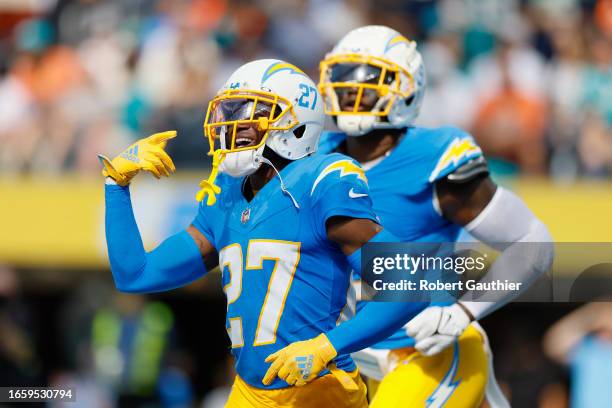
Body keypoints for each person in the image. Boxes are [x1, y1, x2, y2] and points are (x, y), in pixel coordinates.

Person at [99, 59, 427, 408]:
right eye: (229, 112)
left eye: (249, 113)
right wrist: (115, 185)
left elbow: (409, 285)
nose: (232, 125)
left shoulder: (321, 179)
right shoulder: (226, 193)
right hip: (248, 393)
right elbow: (136, 274)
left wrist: (327, 345)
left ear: (294, 124)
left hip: (320, 390)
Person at [305, 25, 553, 407]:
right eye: (342, 78)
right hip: (343, 357)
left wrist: (463, 310)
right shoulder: (313, 157)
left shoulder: (434, 157)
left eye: (369, 79)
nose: (351, 90)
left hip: (424, 349)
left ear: (405, 88)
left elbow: (533, 244)